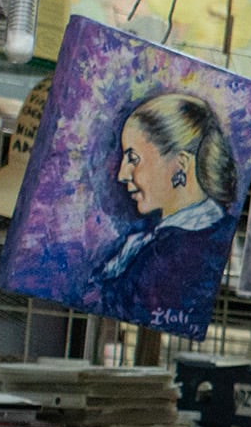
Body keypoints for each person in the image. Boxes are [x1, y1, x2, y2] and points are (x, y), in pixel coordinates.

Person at [94, 92, 238, 324]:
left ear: (180, 166)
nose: (122, 174)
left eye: (133, 158)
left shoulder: (183, 252)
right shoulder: (161, 239)